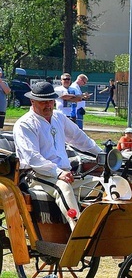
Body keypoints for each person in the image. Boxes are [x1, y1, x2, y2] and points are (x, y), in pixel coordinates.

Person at [13, 82, 103, 230]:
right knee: (63, 187)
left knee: (102, 184)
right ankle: (78, 233)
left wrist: (102, 154)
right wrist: (59, 173)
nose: (48, 105)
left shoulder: (59, 118)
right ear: (32, 101)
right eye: (43, 102)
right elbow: (33, 158)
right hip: (35, 175)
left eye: (50, 101)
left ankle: (100, 230)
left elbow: (80, 138)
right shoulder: (24, 124)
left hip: (64, 173)